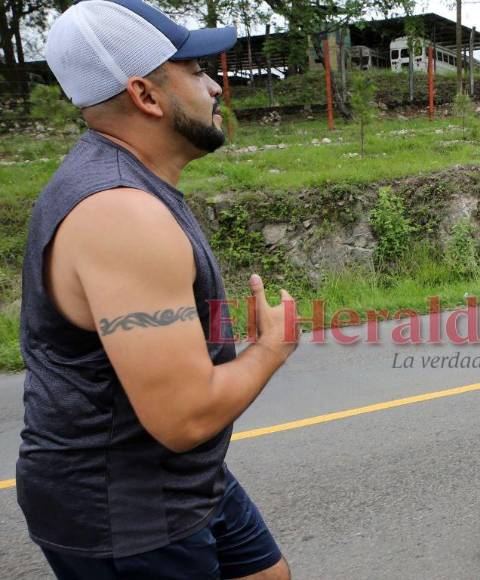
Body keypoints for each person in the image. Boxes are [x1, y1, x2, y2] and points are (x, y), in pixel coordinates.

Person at [17, 1, 298, 578]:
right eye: (194, 71)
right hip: (126, 510)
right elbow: (185, 417)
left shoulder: (129, 181)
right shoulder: (122, 215)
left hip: (181, 476)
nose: (215, 86)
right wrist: (272, 348)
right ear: (146, 95)